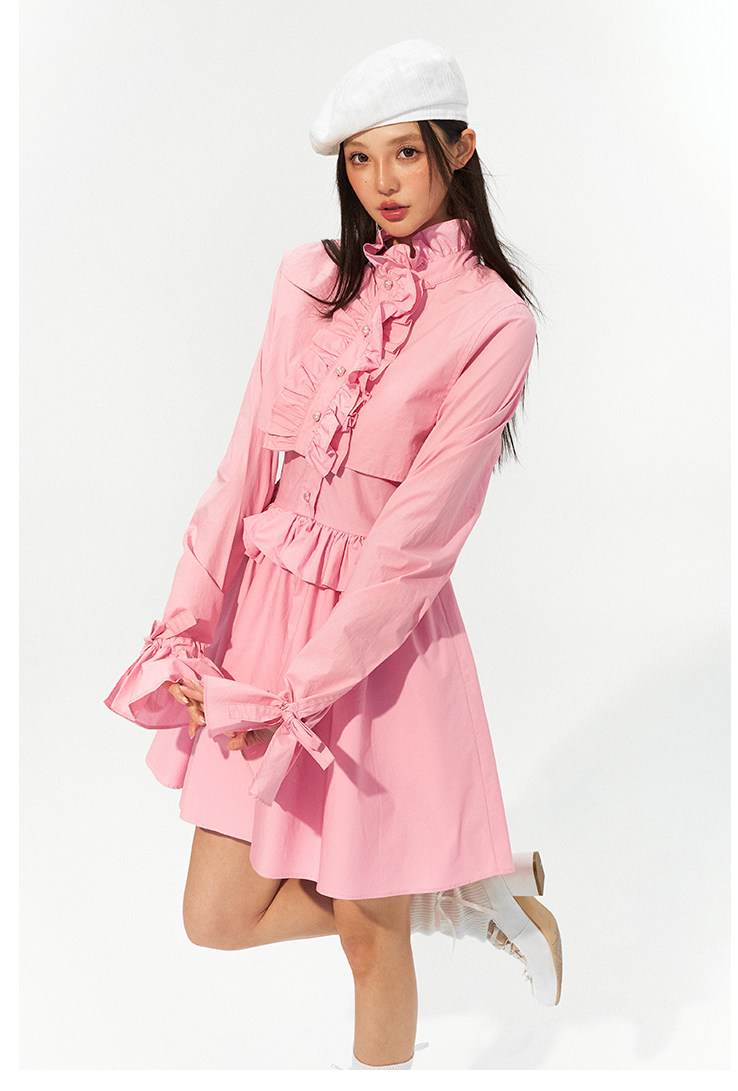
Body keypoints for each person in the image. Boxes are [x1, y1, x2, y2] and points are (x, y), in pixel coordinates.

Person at [105, 39, 563, 1070]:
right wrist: (186, 631)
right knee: (216, 914)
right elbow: (241, 470)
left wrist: (298, 692)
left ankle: (410, 930)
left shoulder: (495, 322)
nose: (382, 183)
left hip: (378, 646)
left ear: (459, 149)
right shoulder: (308, 279)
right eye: (360, 159)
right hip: (267, 619)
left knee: (367, 933)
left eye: (405, 153)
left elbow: (418, 541)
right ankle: (462, 896)